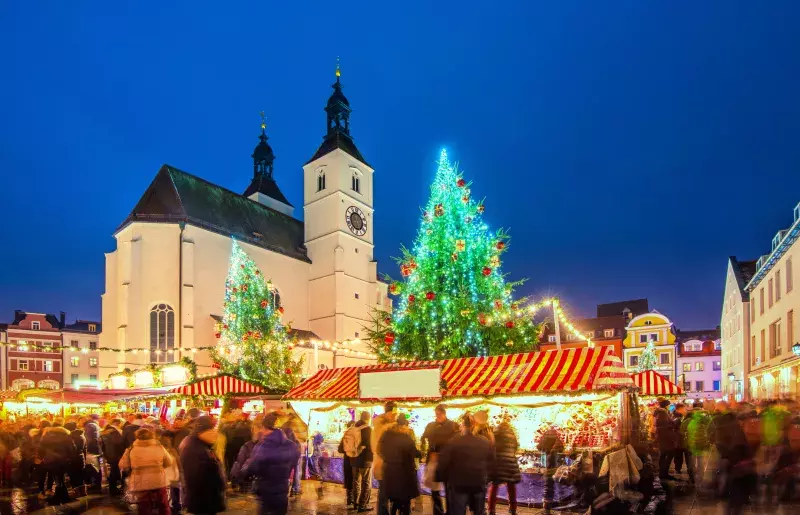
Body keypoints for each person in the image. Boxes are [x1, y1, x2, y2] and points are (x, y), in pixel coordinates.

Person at [241, 412, 301, 515]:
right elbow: (294, 463)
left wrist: (243, 474)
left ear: (265, 428)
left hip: (266, 491)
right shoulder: (292, 445)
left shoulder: (263, 446)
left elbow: (252, 467)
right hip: (283, 490)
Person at [436, 413, 494, 515]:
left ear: (463, 427)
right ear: (474, 427)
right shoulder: (484, 441)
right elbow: (491, 460)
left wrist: (441, 477)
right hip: (478, 482)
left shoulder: (454, 441)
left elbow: (443, 461)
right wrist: (487, 477)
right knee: (478, 511)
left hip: (459, 484)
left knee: (458, 511)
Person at [120, 427, 173, 515]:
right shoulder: (159, 447)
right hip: (158, 480)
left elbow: (123, 465)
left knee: (144, 506)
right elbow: (169, 462)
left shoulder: (131, 449)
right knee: (163, 504)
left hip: (140, 482)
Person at [180, 416, 226, 515]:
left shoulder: (203, 446)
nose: (215, 434)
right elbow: (195, 477)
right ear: (201, 431)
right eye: (211, 430)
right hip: (203, 499)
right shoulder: (193, 448)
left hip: (207, 497)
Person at [421, 404, 460, 515]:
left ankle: (450, 511)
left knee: (449, 489)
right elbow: (424, 438)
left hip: (448, 462)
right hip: (433, 460)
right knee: (434, 489)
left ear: (444, 413)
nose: (437, 416)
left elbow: (456, 442)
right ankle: (438, 511)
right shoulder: (431, 425)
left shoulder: (453, 425)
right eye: (436, 413)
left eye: (439, 413)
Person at [379, 414, 420, 515]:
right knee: (405, 501)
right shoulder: (406, 437)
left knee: (394, 499)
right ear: (404, 425)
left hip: (390, 473)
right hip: (404, 474)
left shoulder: (386, 434)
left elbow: (379, 450)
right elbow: (415, 453)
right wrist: (420, 453)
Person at [489, 416, 521, 515]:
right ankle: (513, 509)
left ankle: (491, 509)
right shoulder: (512, 434)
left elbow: (492, 446)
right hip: (511, 463)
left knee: (494, 486)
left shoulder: (495, 432)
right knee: (511, 487)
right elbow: (516, 447)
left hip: (499, 463)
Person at [39, 422, 77, 503]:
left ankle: (60, 496)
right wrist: (70, 457)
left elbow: (41, 448)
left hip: (50, 460)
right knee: (60, 477)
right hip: (64, 460)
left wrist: (41, 457)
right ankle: (62, 496)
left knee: (57, 477)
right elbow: (72, 448)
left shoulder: (46, 435)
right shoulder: (66, 435)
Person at [372, 401, 398, 515]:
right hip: (383, 463)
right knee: (384, 492)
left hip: (384, 462)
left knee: (385, 491)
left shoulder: (380, 425)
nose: (395, 416)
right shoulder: (383, 427)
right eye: (394, 414)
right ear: (390, 413)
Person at [348, 411, 374, 512]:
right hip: (365, 460)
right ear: (369, 418)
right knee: (366, 482)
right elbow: (370, 444)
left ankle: (355, 503)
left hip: (354, 459)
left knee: (356, 481)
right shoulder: (368, 429)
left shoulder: (353, 428)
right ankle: (363, 505)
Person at [281, 413, 308, 496]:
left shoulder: (284, 425)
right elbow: (304, 437)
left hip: (285, 450)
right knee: (297, 469)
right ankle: (296, 488)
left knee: (286, 469)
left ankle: (284, 486)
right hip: (297, 449)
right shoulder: (299, 424)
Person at [222, 411, 252, 476]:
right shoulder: (246, 425)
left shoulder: (226, 426)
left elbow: (226, 436)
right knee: (239, 462)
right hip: (239, 447)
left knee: (231, 463)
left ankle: (231, 477)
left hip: (230, 447)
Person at [653, 399, 677, 479]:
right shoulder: (662, 413)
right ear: (666, 405)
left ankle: (663, 473)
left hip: (662, 437)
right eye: (669, 405)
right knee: (667, 455)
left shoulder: (660, 413)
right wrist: (673, 424)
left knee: (664, 455)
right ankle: (663, 473)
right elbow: (663, 426)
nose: (670, 406)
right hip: (665, 438)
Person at [160, 430, 182, 515]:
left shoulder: (160, 448)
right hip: (173, 472)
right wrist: (180, 469)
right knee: (174, 489)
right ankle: (175, 506)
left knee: (168, 490)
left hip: (166, 473)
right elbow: (178, 461)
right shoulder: (172, 449)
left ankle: (169, 506)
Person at [102, 418, 126, 495]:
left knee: (114, 470)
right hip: (116, 454)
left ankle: (113, 487)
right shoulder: (114, 432)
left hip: (110, 454)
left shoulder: (106, 431)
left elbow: (102, 445)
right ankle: (113, 489)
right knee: (114, 471)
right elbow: (119, 443)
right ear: (117, 423)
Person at [672, 403, 693, 481]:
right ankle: (678, 468)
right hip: (679, 440)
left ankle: (690, 472)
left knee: (689, 457)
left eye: (681, 409)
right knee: (678, 455)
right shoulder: (677, 416)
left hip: (687, 440)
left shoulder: (690, 416)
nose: (680, 411)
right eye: (678, 410)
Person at [338, 421, 356, 507]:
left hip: (347, 460)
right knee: (355, 479)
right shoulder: (357, 436)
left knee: (349, 478)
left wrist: (346, 450)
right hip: (355, 460)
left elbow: (340, 449)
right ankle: (355, 499)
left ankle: (350, 499)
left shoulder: (345, 436)